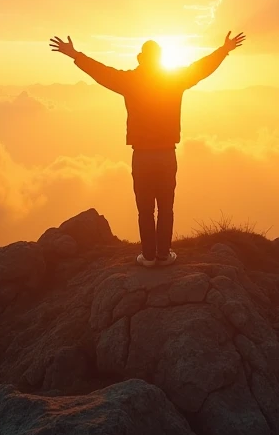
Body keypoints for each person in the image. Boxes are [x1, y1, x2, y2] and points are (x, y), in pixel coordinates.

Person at [49, 31, 246, 267]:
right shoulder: (174, 80)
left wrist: (74, 55)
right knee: (165, 208)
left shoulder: (130, 81)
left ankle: (149, 257)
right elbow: (201, 68)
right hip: (166, 154)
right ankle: (163, 255)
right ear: (161, 59)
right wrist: (224, 50)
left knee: (145, 209)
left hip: (141, 155)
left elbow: (101, 72)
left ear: (141, 58)